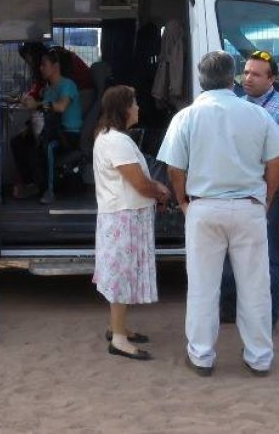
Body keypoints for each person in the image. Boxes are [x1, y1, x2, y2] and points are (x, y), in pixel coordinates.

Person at [157, 51, 279, 377]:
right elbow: (277, 162)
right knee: (255, 287)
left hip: (203, 207)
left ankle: (201, 356)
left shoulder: (186, 117)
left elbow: (174, 167)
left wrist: (184, 201)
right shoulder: (258, 114)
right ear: (233, 78)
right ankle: (259, 357)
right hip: (249, 207)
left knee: (203, 287)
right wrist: (266, 198)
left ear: (201, 79)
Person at [221, 50, 279, 327]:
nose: (248, 78)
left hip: (268, 191)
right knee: (231, 254)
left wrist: (274, 170)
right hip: (238, 190)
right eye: (246, 72)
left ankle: (266, 318)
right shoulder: (237, 105)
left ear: (271, 79)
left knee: (267, 256)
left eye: (256, 74)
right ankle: (229, 311)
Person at [91, 85, 171, 361]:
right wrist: (161, 191)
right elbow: (139, 183)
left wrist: (155, 189)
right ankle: (119, 339)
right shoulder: (118, 141)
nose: (138, 107)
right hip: (124, 217)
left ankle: (118, 327)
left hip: (121, 214)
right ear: (124, 109)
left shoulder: (108, 137)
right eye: (134, 103)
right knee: (121, 277)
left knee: (119, 274)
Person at [17, 50, 83, 204]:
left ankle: (49, 190)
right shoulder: (48, 90)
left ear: (55, 66)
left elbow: (60, 106)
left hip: (68, 134)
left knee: (49, 146)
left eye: (44, 65)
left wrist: (37, 104)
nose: (41, 68)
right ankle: (32, 184)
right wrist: (28, 127)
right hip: (52, 130)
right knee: (19, 142)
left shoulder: (67, 85)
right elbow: (45, 113)